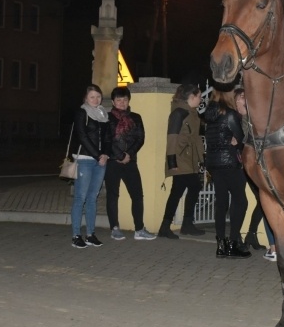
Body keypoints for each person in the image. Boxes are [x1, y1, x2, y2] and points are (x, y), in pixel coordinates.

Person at [104, 86, 156, 241]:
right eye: (119, 100)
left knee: (137, 195)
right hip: (113, 162)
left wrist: (129, 154)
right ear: (113, 101)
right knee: (113, 196)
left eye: (125, 99)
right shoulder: (107, 118)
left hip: (130, 161)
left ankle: (139, 229)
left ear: (128, 101)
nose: (122, 102)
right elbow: (107, 139)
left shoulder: (136, 117)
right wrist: (119, 155)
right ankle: (114, 228)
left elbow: (140, 138)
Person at [204, 89, 251, 259]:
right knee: (241, 201)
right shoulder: (230, 115)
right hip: (230, 163)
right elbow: (241, 139)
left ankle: (220, 244)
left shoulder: (209, 116)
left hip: (214, 164)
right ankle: (232, 243)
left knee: (221, 202)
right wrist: (237, 142)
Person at [159, 84, 206, 239]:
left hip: (188, 158)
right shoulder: (179, 113)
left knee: (184, 190)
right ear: (191, 97)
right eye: (199, 96)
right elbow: (172, 137)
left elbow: (196, 138)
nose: (201, 99)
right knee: (186, 189)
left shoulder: (191, 113)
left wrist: (201, 158)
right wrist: (172, 162)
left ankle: (180, 225)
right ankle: (171, 226)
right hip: (180, 158)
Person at [69, 85, 111, 249]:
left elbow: (108, 137)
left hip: (101, 161)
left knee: (93, 198)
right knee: (81, 197)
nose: (96, 100)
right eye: (92, 97)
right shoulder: (82, 112)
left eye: (98, 97)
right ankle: (76, 235)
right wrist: (97, 155)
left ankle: (91, 234)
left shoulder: (103, 114)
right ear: (86, 98)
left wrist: (106, 154)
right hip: (85, 159)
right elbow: (82, 136)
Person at [234, 87, 266, 251]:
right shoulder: (237, 117)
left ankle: (251, 234)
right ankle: (240, 236)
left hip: (253, 161)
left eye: (246, 95)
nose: (245, 98)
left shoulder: (250, 116)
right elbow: (244, 138)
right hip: (240, 163)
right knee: (244, 201)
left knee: (263, 199)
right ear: (236, 100)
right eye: (241, 96)